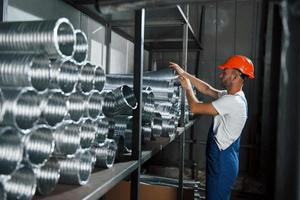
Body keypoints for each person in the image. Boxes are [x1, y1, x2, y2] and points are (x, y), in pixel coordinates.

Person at [169, 55, 255, 200]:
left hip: (223, 162)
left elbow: (195, 107)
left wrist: (188, 88)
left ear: (235, 77)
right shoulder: (233, 96)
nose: (221, 75)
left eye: (225, 72)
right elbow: (207, 89)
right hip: (224, 158)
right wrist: (184, 73)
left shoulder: (233, 102)